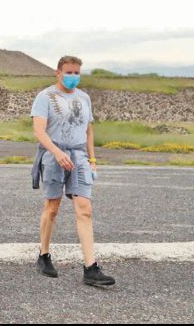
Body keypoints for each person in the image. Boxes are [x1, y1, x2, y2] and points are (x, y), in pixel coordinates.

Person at [31, 56, 116, 287]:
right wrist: (57, 153)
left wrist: (92, 159)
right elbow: (39, 130)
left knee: (85, 208)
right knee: (52, 208)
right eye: (69, 72)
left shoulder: (84, 97)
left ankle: (91, 268)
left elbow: (88, 131)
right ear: (58, 72)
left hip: (79, 156)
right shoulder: (45, 97)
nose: (73, 76)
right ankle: (44, 254)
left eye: (77, 72)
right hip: (53, 155)